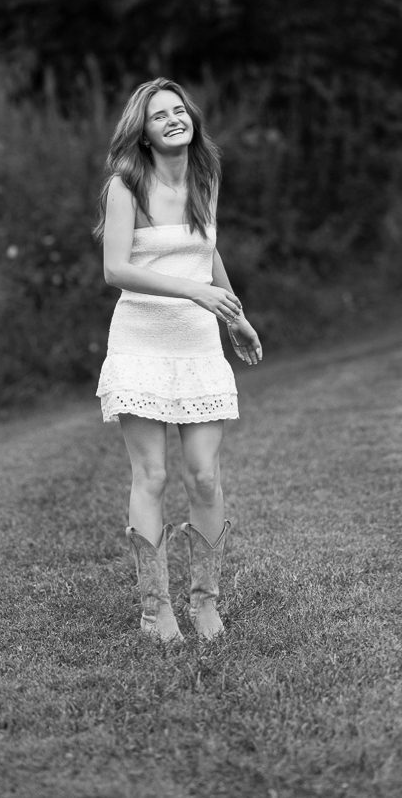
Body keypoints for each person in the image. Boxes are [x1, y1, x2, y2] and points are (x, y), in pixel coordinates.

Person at [92, 78, 262, 644]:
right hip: (141, 340)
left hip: (196, 345)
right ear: (142, 131)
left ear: (191, 119)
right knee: (153, 474)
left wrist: (234, 315)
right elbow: (116, 270)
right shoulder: (125, 186)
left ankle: (205, 601)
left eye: (178, 110)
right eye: (158, 114)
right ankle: (154, 610)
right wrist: (193, 294)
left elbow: (206, 253)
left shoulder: (205, 179)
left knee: (205, 476)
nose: (172, 119)